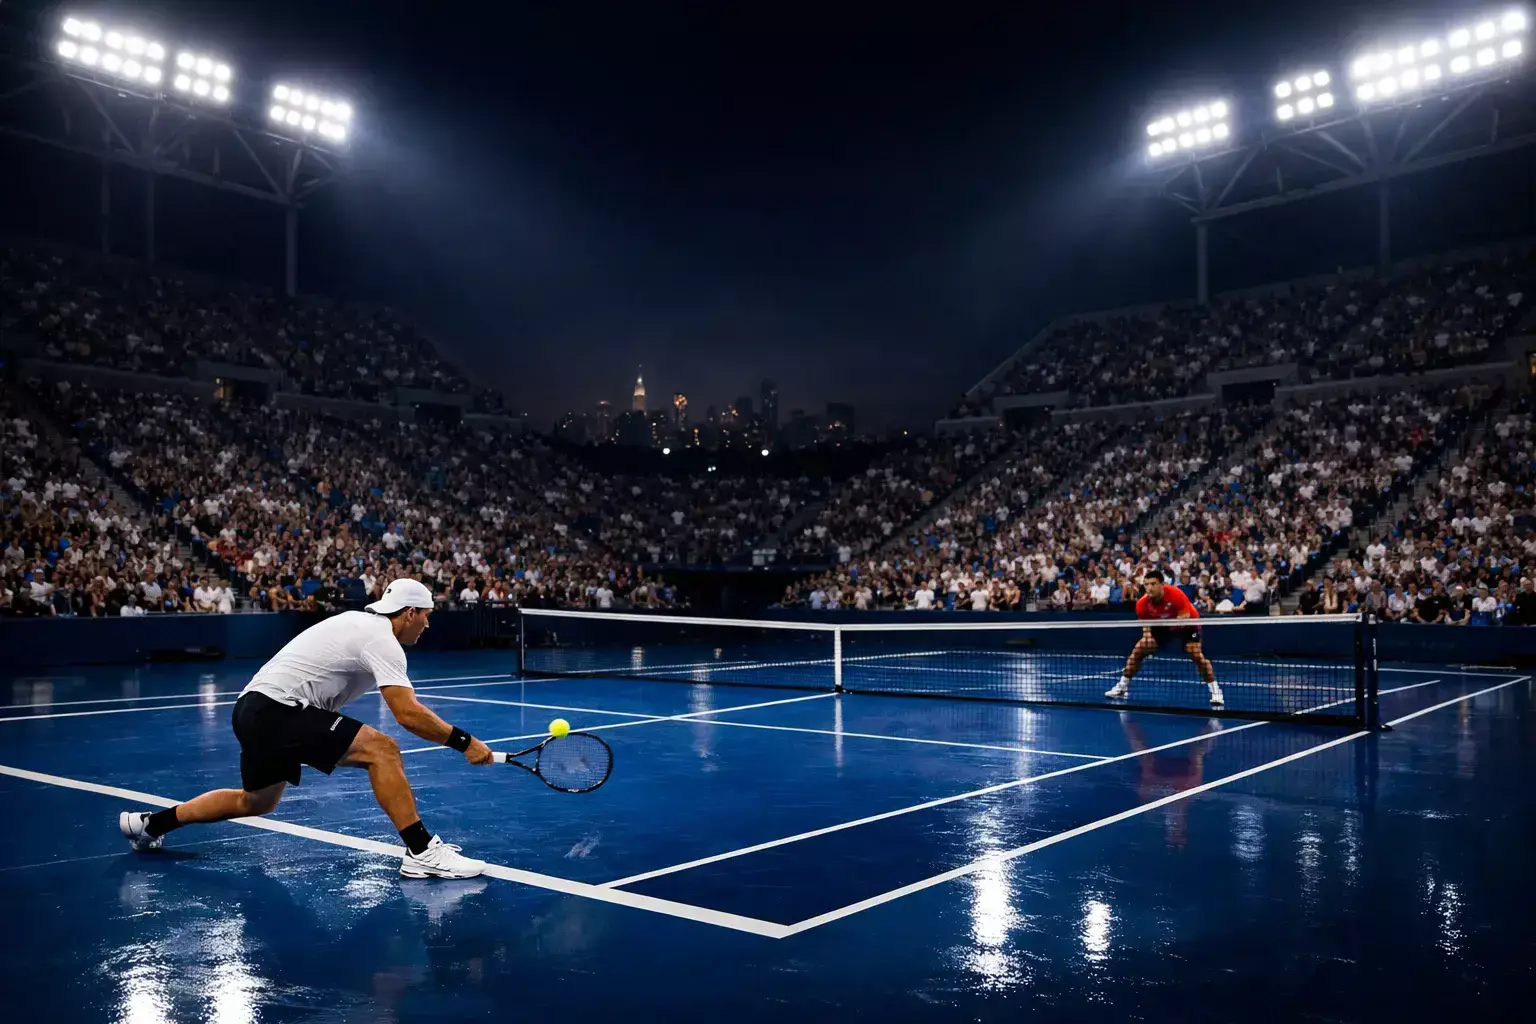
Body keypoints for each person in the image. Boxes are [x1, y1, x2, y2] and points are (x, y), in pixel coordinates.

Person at [118, 578, 492, 879]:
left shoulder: (359, 623)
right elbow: (407, 713)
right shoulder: (381, 637)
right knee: (383, 750)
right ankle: (421, 851)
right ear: (409, 613)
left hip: (251, 709)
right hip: (277, 710)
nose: (428, 624)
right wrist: (465, 742)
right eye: (426, 616)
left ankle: (150, 824)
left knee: (256, 801)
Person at [1105, 570, 1224, 707]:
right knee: (1138, 650)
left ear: (1162, 584)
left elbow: (1184, 617)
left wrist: (1168, 629)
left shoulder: (1176, 594)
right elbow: (1146, 627)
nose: (1149, 588)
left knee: (1195, 653)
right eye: (1146, 584)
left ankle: (1215, 690)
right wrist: (1149, 639)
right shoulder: (1142, 604)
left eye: (1153, 584)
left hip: (1187, 624)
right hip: (1161, 626)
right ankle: (1122, 686)